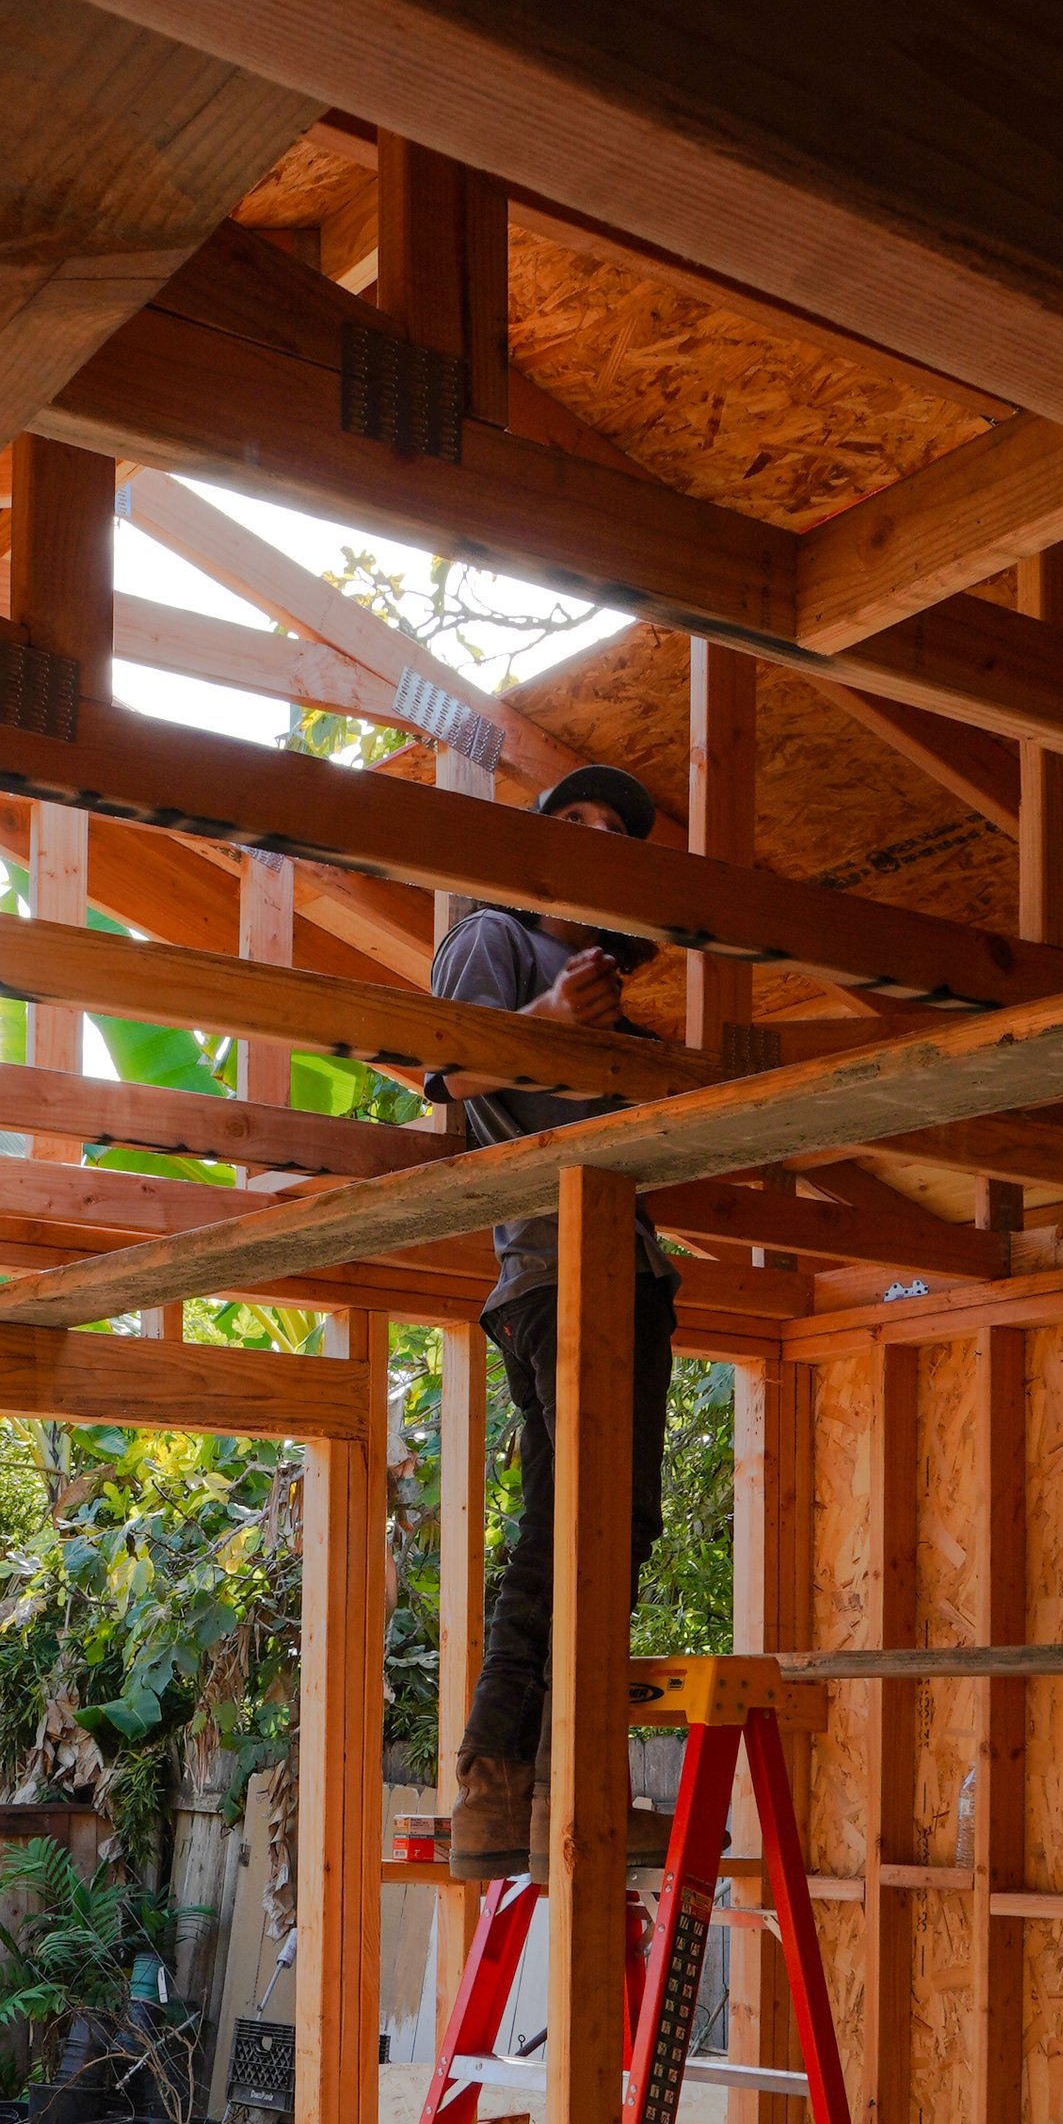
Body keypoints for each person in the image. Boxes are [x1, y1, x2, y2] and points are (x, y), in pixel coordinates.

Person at [425, 762, 679, 1882]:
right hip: (550, 1270)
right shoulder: (493, 936)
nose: (593, 837)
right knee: (560, 1531)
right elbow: (448, 1066)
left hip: (623, 1272)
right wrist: (546, 1019)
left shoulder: (608, 995)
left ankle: (540, 1791)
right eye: (572, 822)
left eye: (613, 833)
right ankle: (497, 1775)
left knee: (614, 1528)